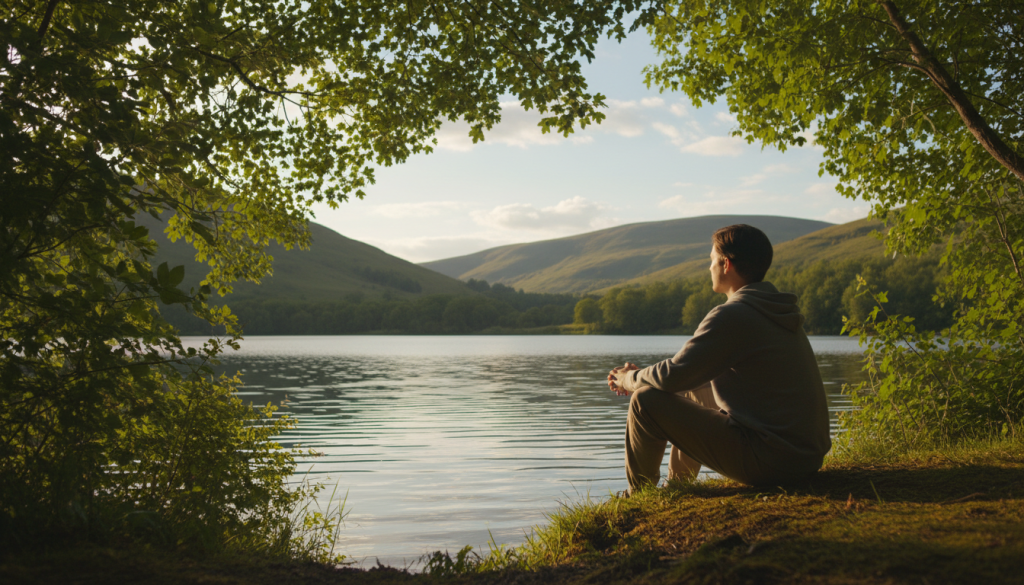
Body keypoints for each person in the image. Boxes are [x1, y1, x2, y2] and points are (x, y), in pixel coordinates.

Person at [607, 224, 831, 492]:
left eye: (711, 260)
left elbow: (673, 375)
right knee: (696, 389)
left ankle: (639, 498)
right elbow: (683, 375)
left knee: (645, 402)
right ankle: (677, 487)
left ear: (726, 264)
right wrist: (647, 378)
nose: (709, 267)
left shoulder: (734, 315)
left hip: (772, 463)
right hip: (804, 459)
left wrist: (628, 379)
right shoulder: (774, 310)